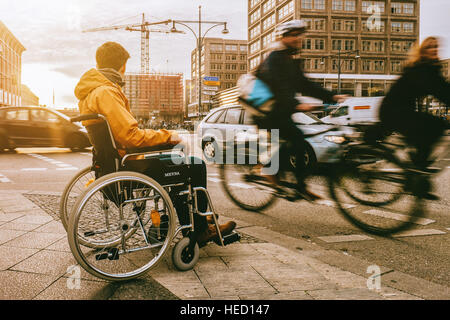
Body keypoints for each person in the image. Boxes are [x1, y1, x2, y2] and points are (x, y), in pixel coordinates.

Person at [74, 41, 236, 244]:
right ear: (122, 66)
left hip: (113, 162)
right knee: (195, 166)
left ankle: (199, 218)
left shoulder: (89, 93)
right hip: (131, 163)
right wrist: (168, 136)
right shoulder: (107, 92)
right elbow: (130, 136)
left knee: (176, 164)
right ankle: (201, 228)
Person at [253, 20, 347, 201]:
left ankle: (283, 176)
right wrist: (296, 104)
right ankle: (277, 174)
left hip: (280, 112)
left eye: (300, 35)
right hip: (265, 113)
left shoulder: (291, 59)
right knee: (297, 141)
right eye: (294, 35)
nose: (299, 38)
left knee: (295, 143)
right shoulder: (274, 59)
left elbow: (304, 84)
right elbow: (278, 88)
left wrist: (333, 96)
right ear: (283, 37)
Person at [368, 37, 450, 199]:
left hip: (402, 110)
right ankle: (416, 176)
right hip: (393, 111)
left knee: (432, 126)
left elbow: (442, 89)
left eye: (436, 47)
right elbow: (441, 91)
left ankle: (416, 172)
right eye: (430, 47)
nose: (434, 49)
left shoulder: (430, 69)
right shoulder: (421, 69)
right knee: (435, 126)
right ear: (423, 51)